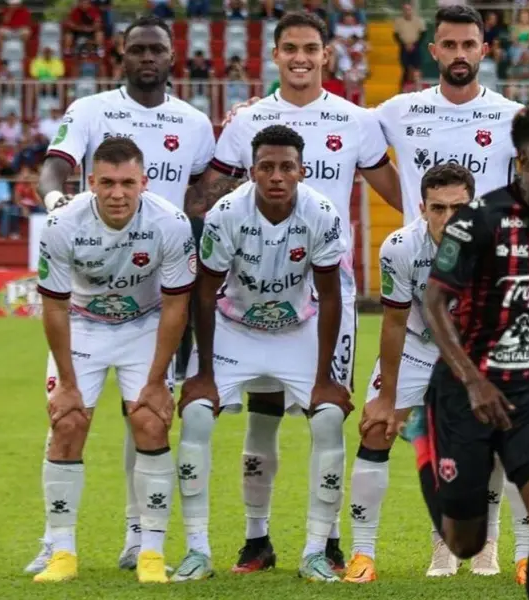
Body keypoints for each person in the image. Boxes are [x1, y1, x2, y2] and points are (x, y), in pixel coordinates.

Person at [190, 11, 402, 578]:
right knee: (261, 419)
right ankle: (256, 541)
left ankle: (326, 541)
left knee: (325, 413)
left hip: (328, 297)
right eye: (290, 48)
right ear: (275, 55)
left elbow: (400, 195)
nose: (301, 57)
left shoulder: (356, 121)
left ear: (327, 55)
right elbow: (206, 197)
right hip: (253, 297)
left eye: (311, 47)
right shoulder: (247, 121)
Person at [25, 15, 216, 577]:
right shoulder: (89, 110)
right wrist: (56, 201)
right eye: (138, 49)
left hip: (155, 304)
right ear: (121, 55)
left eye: (158, 49)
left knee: (150, 417)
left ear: (174, 55)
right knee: (67, 420)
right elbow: (55, 164)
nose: (148, 57)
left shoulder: (194, 122)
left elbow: (208, 188)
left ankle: (142, 539)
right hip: (87, 310)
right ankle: (54, 542)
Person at [368, 5, 529, 579]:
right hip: (421, 305)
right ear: (432, 50)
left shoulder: (513, 116)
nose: (459, 54)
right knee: (385, 427)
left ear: (485, 49)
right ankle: (391, 547)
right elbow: (349, 140)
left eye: (469, 44)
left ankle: (485, 546)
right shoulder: (398, 109)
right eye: (448, 45)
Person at [418, 102, 529, 600]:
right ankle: (427, 454)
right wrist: (473, 381)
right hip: (463, 388)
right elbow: (434, 302)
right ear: (522, 159)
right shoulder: (476, 221)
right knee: (466, 541)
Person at [175, 124, 350, 582]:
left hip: (296, 329)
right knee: (195, 414)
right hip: (235, 329)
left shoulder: (322, 213)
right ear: (252, 171)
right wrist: (205, 373)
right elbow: (205, 292)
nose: (276, 176)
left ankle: (316, 550)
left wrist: (326, 374)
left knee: (329, 417)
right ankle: (197, 550)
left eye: (286, 167)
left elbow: (330, 296)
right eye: (267, 167)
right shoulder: (225, 214)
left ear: (302, 171)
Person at [30, 137, 197, 584]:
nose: (118, 193)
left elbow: (177, 306)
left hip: (143, 325)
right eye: (107, 182)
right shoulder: (62, 223)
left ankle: (151, 554)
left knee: (150, 421)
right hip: (82, 326)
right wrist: (67, 381)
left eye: (127, 183)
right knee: (67, 423)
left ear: (144, 182)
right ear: (91, 182)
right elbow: (54, 307)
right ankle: (61, 551)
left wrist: (159, 379)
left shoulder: (171, 223)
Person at [348, 163, 474, 584]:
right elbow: (395, 322)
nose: (447, 218)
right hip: (419, 348)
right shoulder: (399, 247)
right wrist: (385, 397)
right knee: (376, 429)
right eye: (438, 208)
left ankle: (498, 546)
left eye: (458, 208)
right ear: (422, 208)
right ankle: (362, 554)